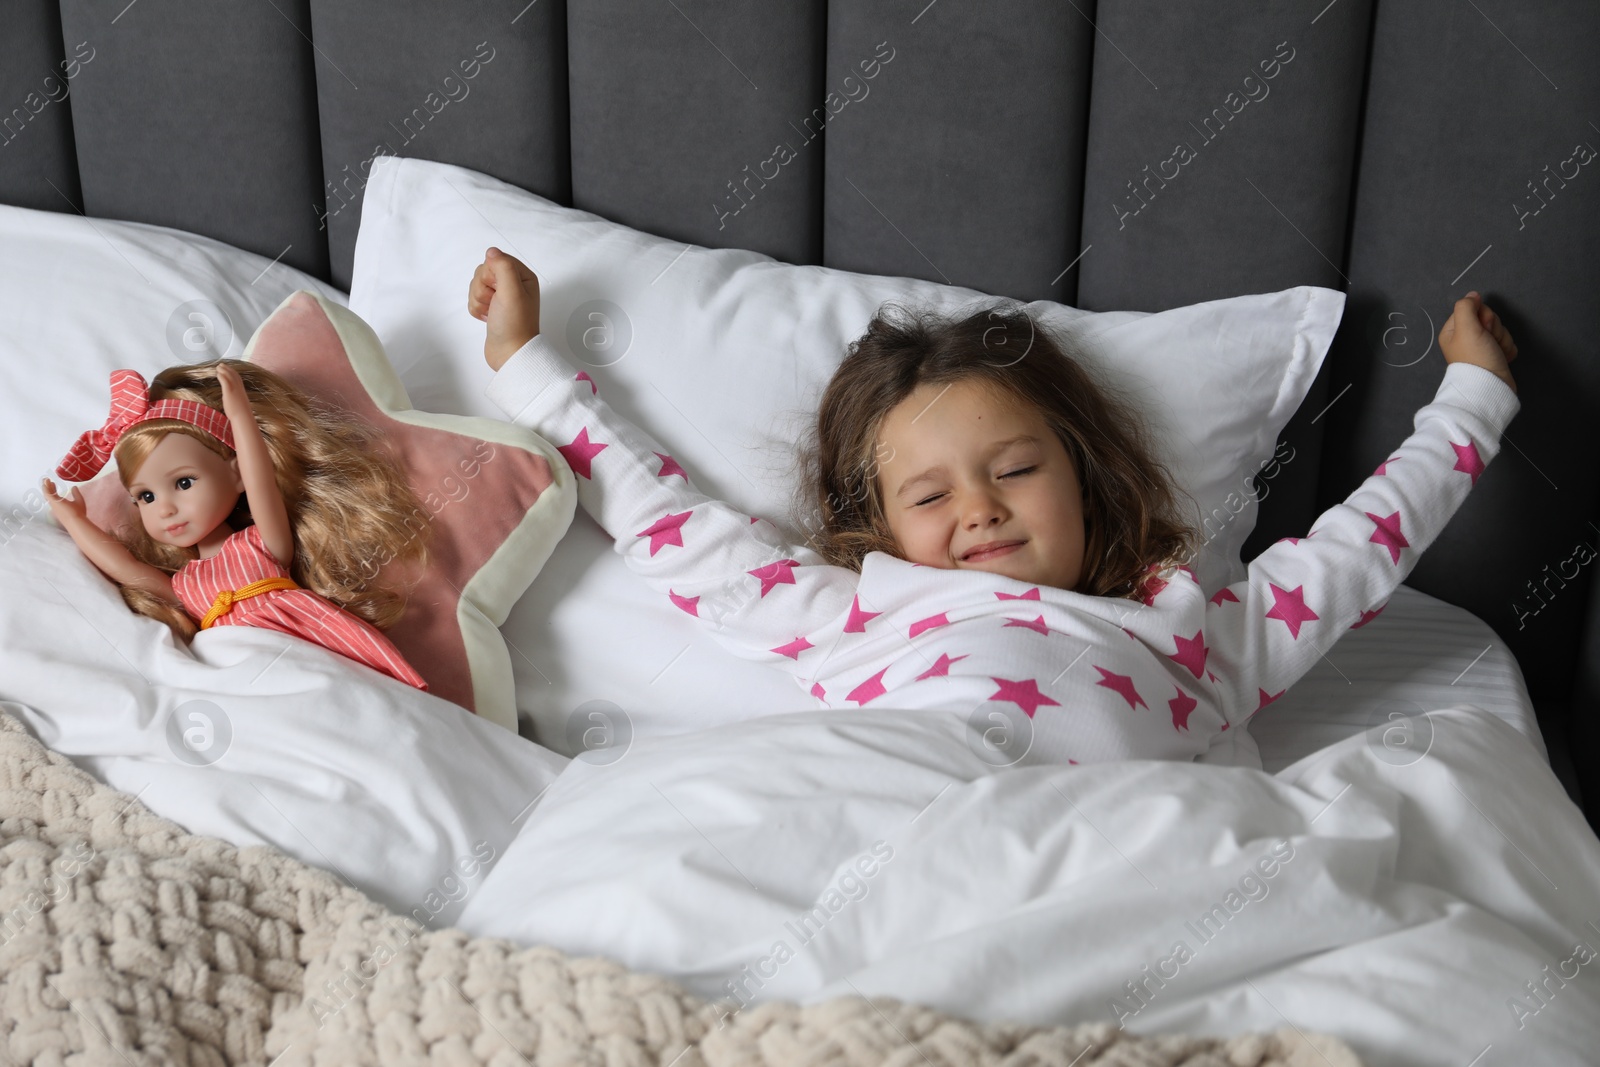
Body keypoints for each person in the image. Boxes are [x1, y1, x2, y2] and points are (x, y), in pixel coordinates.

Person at [469, 246, 1520, 765]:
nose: (976, 506)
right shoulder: (850, 607)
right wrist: (529, 369)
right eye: (928, 493)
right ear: (880, 528)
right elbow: (668, 523)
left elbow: (1358, 546)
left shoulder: (1196, 631)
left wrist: (1470, 402)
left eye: (1013, 469)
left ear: (1081, 476)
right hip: (877, 804)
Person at [41, 359, 431, 691]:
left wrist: (240, 413)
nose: (165, 509)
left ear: (236, 473)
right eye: (146, 497)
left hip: (305, 646)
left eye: (183, 483)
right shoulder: (185, 585)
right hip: (235, 671)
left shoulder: (261, 546)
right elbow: (126, 568)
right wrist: (75, 521)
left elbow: (261, 479)